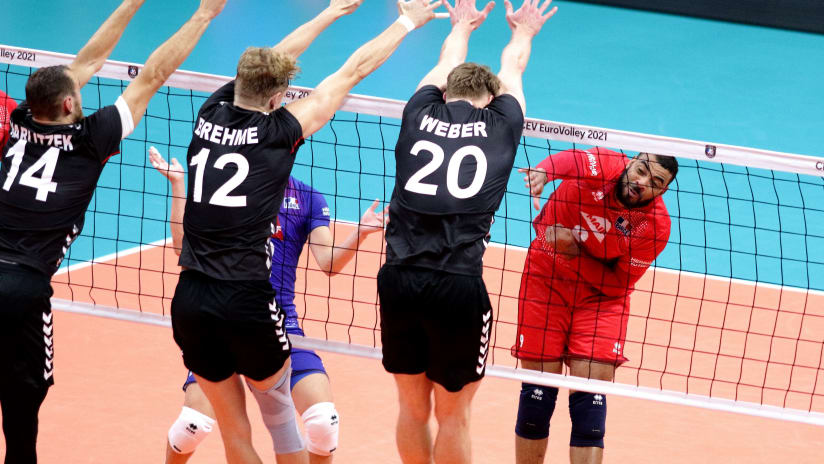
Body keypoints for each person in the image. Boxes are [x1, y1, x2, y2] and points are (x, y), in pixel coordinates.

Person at [168, 1, 442, 462]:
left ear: (240, 81)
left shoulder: (209, 112)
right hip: (247, 301)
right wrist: (407, 22)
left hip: (190, 299)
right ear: (279, 98)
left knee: (236, 434)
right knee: (282, 428)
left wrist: (330, 12)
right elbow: (353, 70)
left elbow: (268, 64)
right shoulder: (281, 131)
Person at [0, 1, 226, 462]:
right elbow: (153, 74)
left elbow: (84, 63)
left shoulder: (20, 121)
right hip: (24, 289)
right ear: (69, 103)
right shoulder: (93, 137)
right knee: (23, 414)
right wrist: (204, 15)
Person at [376, 1, 556, 462]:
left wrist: (461, 25)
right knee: (455, 415)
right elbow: (513, 65)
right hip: (456, 285)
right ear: (491, 99)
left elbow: (444, 65)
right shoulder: (503, 125)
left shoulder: (416, 113)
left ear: (446, 91)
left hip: (398, 278)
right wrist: (523, 32)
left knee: (411, 409)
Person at [150, 144, 386, 464]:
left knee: (324, 423)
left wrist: (360, 232)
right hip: (225, 316)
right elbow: (181, 247)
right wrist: (179, 185)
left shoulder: (308, 198)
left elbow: (328, 262)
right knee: (192, 427)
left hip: (281, 324)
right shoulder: (229, 188)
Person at [512, 147, 678, 464]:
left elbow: (619, 283)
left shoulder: (653, 226)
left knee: (590, 406)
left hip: (601, 299)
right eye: (642, 170)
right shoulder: (605, 163)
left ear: (663, 191)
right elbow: (571, 160)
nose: (643, 182)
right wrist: (544, 172)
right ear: (630, 162)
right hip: (546, 280)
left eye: (655, 182)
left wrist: (573, 254)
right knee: (537, 397)